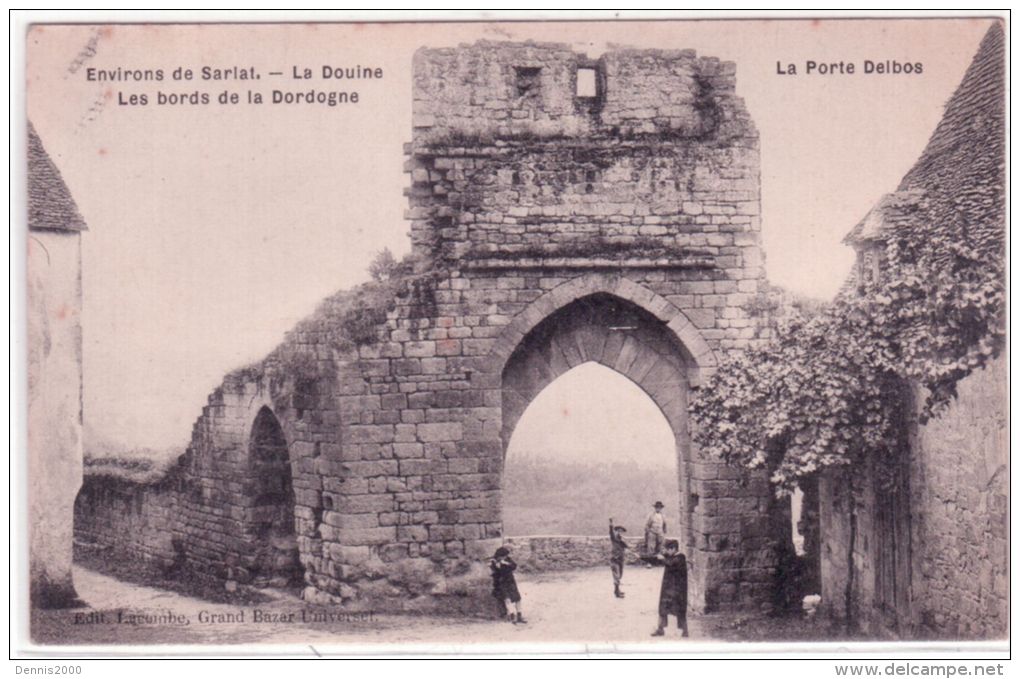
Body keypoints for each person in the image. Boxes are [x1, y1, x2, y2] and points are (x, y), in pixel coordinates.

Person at [651, 539, 689, 638]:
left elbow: (672, 564)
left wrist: (662, 558)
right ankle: (660, 629)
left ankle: (685, 631)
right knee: (662, 608)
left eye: (668, 549)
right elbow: (665, 560)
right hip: (668, 588)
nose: (667, 552)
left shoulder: (680, 558)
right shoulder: (671, 556)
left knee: (680, 610)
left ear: (673, 549)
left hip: (677, 590)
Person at [489, 546, 526, 624]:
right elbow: (495, 573)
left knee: (517, 598)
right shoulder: (494, 562)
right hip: (501, 582)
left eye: (506, 556)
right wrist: (497, 566)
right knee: (507, 599)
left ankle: (519, 615)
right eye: (504, 556)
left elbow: (514, 566)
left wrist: (506, 563)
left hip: (510, 581)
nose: (505, 557)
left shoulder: (507, 559)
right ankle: (512, 616)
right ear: (499, 556)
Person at [608, 518, 634, 598]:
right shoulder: (614, 538)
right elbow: (611, 533)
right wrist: (611, 524)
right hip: (614, 559)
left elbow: (627, 547)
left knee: (620, 575)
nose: (619, 532)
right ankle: (617, 592)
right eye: (618, 530)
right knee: (616, 575)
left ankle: (617, 590)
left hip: (621, 559)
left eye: (621, 531)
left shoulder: (622, 540)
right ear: (616, 531)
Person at [644, 500, 667, 565]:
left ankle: (660, 562)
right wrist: (648, 532)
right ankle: (650, 562)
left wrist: (664, 532)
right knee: (651, 547)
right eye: (657, 507)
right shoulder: (651, 515)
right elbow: (647, 524)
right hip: (652, 532)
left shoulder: (663, 515)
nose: (658, 508)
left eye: (659, 507)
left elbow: (665, 524)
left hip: (660, 532)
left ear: (661, 508)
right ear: (655, 508)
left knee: (661, 546)